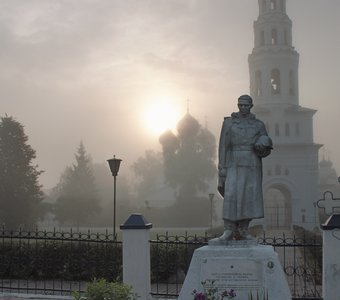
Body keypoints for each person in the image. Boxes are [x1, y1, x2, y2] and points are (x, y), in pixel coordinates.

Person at [210, 95, 272, 244]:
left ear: (251, 106)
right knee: (231, 195)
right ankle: (228, 229)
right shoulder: (229, 123)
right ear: (238, 105)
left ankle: (244, 229)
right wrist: (222, 168)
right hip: (233, 162)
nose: (243, 108)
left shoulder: (258, 125)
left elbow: (266, 145)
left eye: (246, 105)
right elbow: (223, 147)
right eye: (240, 105)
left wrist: (263, 146)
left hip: (252, 162)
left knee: (248, 197)